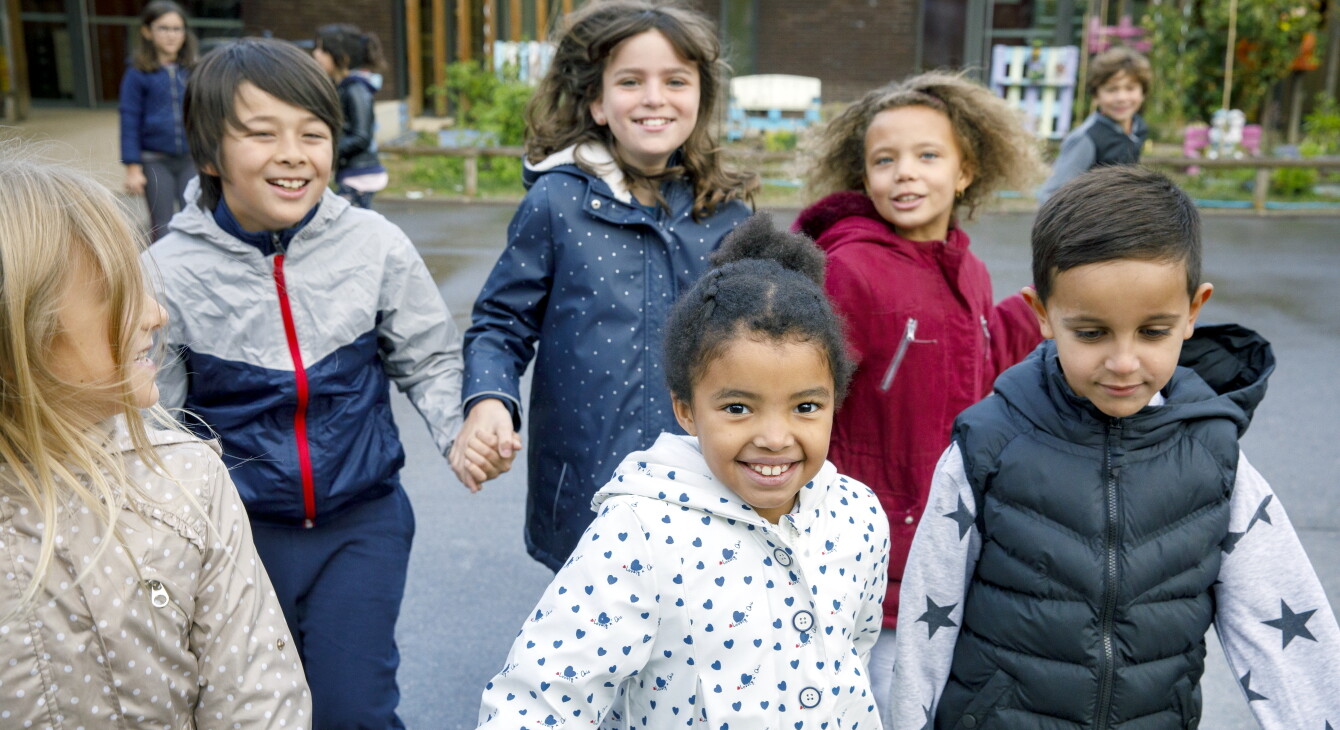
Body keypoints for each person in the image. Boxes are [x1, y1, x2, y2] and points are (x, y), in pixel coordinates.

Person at [890, 166, 1340, 729]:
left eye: (1153, 332)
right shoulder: (988, 446)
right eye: (1093, 333)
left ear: (1193, 311)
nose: (1124, 362)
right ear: (1042, 315)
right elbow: (927, 619)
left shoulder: (1215, 455)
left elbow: (1284, 624)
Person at [147, 38, 471, 728]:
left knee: (354, 710)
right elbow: (155, 421)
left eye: (313, 134)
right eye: (262, 134)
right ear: (209, 155)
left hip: (363, 520)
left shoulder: (375, 244)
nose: (294, 153)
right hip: (237, 538)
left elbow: (430, 356)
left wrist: (460, 431)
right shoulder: (164, 272)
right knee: (255, 711)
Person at [477, 213, 889, 729]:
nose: (776, 437)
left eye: (805, 407)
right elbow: (543, 698)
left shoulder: (859, 515)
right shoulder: (639, 533)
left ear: (835, 401)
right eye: (738, 408)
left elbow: (854, 652)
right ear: (686, 409)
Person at [0, 150, 311, 727]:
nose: (156, 313)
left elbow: (258, 695)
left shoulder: (186, 479)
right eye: (116, 294)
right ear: (22, 324)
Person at [454, 0, 758, 572]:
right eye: (630, 81)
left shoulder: (728, 216)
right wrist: (489, 401)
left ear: (700, 96)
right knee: (591, 657)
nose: (653, 97)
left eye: (675, 80)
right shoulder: (556, 203)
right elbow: (499, 325)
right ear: (597, 101)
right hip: (586, 491)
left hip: (707, 488)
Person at [794, 70, 1044, 720]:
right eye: (885, 160)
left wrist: (1032, 317)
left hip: (948, 543)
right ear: (862, 174)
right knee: (882, 706)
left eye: (928, 156)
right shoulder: (850, 268)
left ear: (966, 171)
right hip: (872, 557)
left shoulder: (968, 267)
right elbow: (796, 391)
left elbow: (975, 364)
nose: (905, 173)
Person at [119, 0, 197, 241]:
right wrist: (133, 168)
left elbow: (205, 114)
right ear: (147, 31)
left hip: (190, 160)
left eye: (177, 29)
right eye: (163, 28)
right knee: (161, 226)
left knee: (193, 220)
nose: (171, 35)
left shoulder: (194, 70)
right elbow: (129, 118)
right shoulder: (137, 73)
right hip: (155, 161)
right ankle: (162, 277)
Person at [1037, 45, 1151, 202]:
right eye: (1111, 90)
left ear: (1143, 92)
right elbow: (1050, 195)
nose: (1122, 98)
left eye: (1130, 88)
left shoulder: (1138, 128)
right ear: (1096, 95)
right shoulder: (1086, 138)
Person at [313, 23, 388, 209]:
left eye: (322, 50)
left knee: (346, 227)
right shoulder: (342, 87)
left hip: (361, 173)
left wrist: (330, 152)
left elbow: (361, 136)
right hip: (352, 171)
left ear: (342, 58)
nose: (316, 54)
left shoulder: (356, 89)